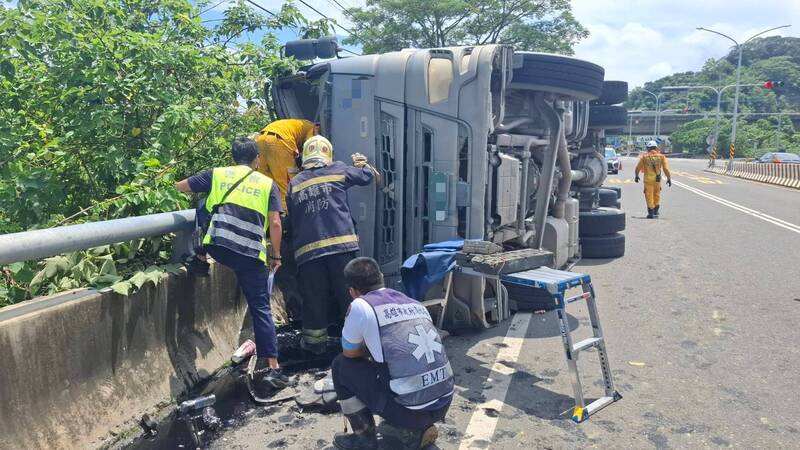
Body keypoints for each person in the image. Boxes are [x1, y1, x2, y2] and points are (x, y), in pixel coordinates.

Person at [175, 137, 289, 396]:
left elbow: (180, 187)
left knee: (203, 203)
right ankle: (273, 369)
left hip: (219, 247)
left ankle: (200, 259)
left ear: (232, 157)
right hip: (250, 255)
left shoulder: (217, 174)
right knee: (261, 308)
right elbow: (275, 223)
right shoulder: (266, 184)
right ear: (257, 159)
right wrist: (277, 256)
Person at [331, 257, 452, 450]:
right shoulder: (414, 304)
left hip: (411, 412)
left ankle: (364, 438)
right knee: (395, 367)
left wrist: (371, 348)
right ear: (381, 277)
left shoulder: (361, 306)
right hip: (444, 403)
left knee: (341, 365)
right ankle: (416, 427)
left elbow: (350, 352)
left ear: (352, 291)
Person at [286, 135, 377, 354]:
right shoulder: (338, 170)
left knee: (314, 297)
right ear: (328, 154)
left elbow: (293, 216)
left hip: (308, 253)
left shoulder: (295, 183)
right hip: (341, 247)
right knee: (349, 294)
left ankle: (314, 344)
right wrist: (361, 164)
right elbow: (366, 177)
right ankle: (358, 342)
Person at [254, 118, 318, 210]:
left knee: (267, 182)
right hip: (279, 140)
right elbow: (311, 147)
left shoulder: (297, 124)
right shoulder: (313, 128)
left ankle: (269, 214)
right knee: (287, 184)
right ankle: (287, 215)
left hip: (261, 139)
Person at [635, 140, 672, 218]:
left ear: (648, 148)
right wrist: (669, 178)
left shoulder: (644, 157)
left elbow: (638, 168)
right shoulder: (661, 157)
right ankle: (656, 211)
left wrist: (636, 175)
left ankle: (651, 213)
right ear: (656, 148)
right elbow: (665, 169)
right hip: (657, 180)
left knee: (649, 195)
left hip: (648, 180)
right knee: (657, 194)